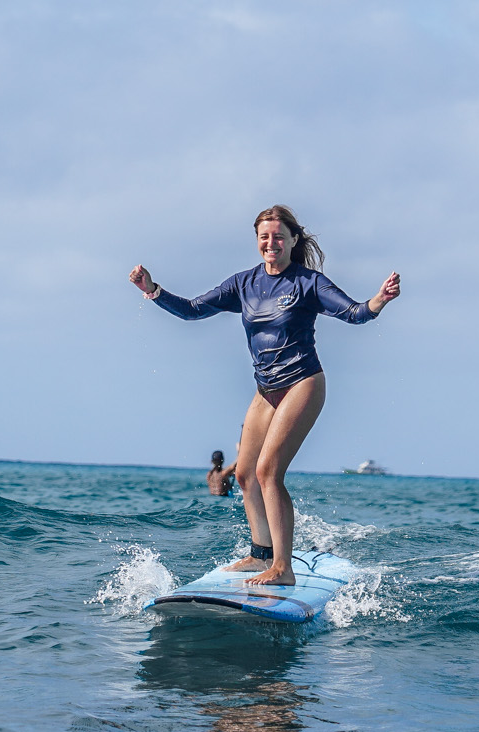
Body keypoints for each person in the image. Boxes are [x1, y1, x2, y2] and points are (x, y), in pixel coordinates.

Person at [131, 205, 400, 587]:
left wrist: (380, 300)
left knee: (268, 472)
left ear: (292, 240)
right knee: (244, 475)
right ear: (257, 241)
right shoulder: (244, 283)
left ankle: (283, 569)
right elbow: (192, 311)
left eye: (278, 236)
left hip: (303, 383)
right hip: (265, 389)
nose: (270, 243)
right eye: (264, 237)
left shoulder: (309, 283)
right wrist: (152, 291)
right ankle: (261, 556)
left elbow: (356, 313)